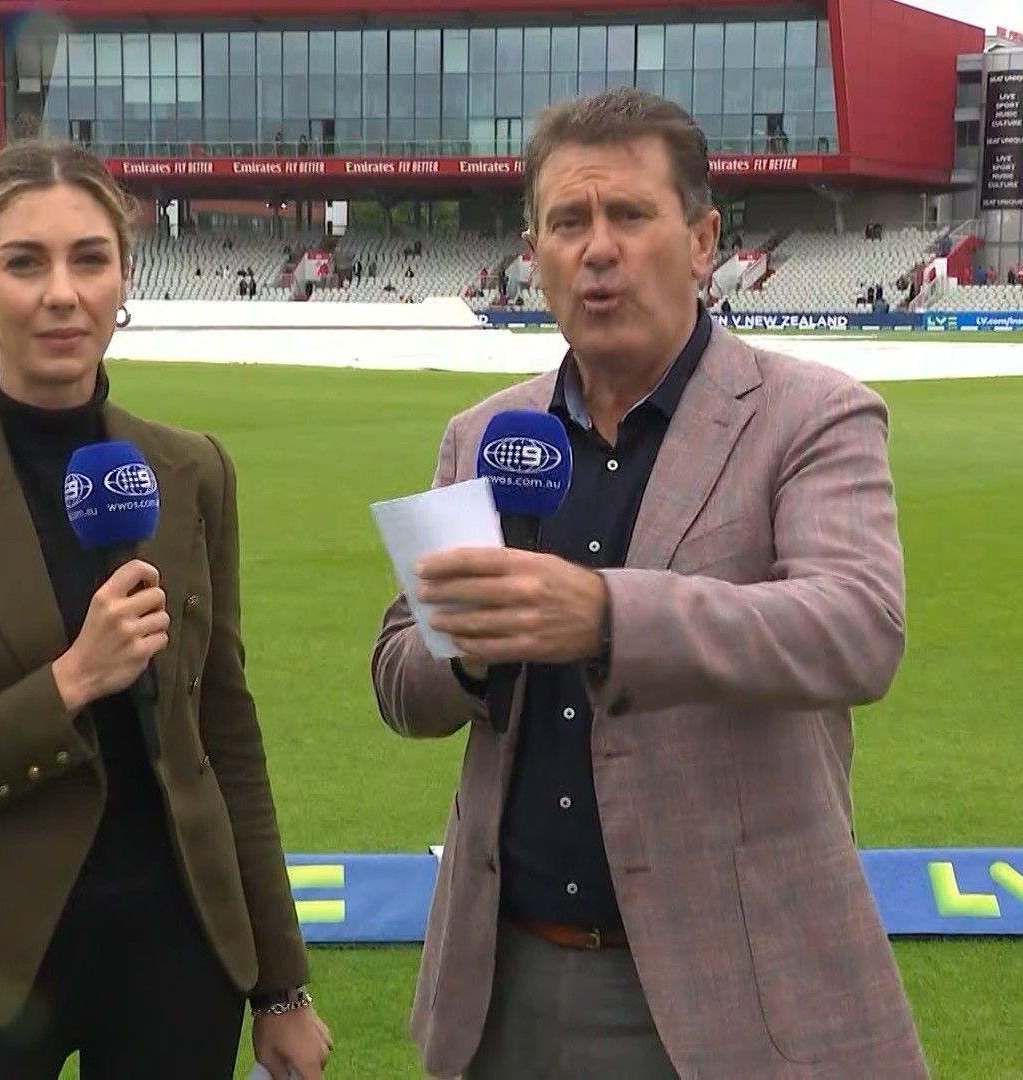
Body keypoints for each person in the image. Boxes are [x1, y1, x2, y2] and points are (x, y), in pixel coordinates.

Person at [371, 87, 924, 1079]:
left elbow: (856, 629)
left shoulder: (812, 416)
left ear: (703, 242)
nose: (598, 249)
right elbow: (401, 681)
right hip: (506, 981)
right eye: (568, 222)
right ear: (533, 252)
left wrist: (606, 616)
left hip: (729, 989)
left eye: (629, 214)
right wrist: (466, 655)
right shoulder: (483, 435)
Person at [0, 140, 332, 1079]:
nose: (62, 294)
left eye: (89, 260)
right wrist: (68, 683)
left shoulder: (192, 470)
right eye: (26, 263)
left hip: (177, 957)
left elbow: (225, 740)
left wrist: (282, 987)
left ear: (123, 278)